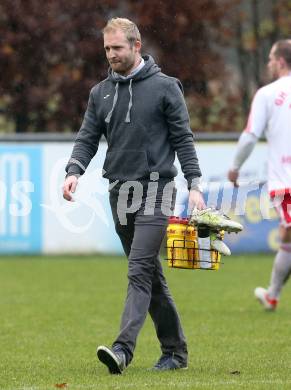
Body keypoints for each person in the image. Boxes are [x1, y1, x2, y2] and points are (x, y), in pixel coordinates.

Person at [62, 17, 205, 374]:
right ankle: (175, 352)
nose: (111, 54)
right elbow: (87, 136)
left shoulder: (165, 87)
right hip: (119, 192)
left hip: (158, 190)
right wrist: (73, 171)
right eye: (107, 49)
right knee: (149, 274)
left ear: (136, 46)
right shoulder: (100, 93)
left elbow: (183, 139)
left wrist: (196, 184)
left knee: (139, 269)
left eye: (118, 48)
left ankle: (122, 349)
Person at [228, 39, 291, 311]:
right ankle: (272, 295)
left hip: (286, 181)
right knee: (287, 236)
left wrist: (235, 166)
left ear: (279, 61)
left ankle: (272, 294)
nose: (268, 64)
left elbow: (250, 136)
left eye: (270, 59)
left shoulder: (267, 94)